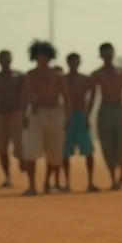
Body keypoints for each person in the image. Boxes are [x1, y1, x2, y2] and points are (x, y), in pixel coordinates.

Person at [21, 40, 70, 196]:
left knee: (55, 154)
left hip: (55, 114)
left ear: (50, 57)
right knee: (30, 152)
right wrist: (25, 114)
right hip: (37, 115)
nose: (42, 59)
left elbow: (66, 97)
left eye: (45, 56)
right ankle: (31, 185)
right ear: (34, 57)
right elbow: (27, 95)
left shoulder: (57, 76)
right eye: (39, 56)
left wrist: (68, 116)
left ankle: (47, 182)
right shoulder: (30, 75)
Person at [88, 42, 122, 190]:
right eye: (105, 54)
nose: (108, 56)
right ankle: (113, 179)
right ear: (101, 55)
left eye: (110, 53)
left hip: (121, 109)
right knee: (107, 145)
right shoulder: (97, 74)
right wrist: (87, 116)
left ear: (114, 54)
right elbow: (93, 96)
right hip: (105, 110)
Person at [0, 49, 24, 188]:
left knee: (20, 147)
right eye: (2, 58)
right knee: (1, 149)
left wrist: (24, 114)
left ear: (11, 60)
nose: (5, 61)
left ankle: (22, 160)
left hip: (16, 115)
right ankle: (8, 176)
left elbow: (25, 96)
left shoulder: (19, 76)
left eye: (7, 58)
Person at [63, 53, 100, 192]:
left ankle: (90, 182)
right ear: (68, 63)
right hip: (67, 117)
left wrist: (87, 115)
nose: (74, 64)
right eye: (72, 62)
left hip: (81, 116)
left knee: (88, 151)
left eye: (77, 62)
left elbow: (93, 94)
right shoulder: (63, 79)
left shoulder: (85, 79)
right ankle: (67, 183)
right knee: (65, 153)